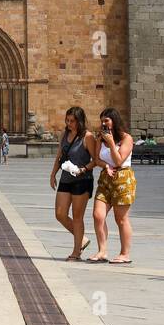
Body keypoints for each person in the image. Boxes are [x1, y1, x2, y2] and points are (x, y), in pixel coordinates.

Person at [89, 107, 135, 264]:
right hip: (105, 178)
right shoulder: (100, 139)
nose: (103, 123)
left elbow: (119, 161)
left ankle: (124, 253)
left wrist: (110, 143)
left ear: (114, 121)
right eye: (102, 121)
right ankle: (102, 251)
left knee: (121, 218)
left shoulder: (126, 139)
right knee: (98, 215)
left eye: (106, 120)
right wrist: (105, 166)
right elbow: (96, 159)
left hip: (123, 177)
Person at [51, 106, 95, 261]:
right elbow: (59, 156)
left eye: (72, 121)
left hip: (82, 180)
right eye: (67, 120)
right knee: (60, 214)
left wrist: (83, 169)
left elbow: (95, 160)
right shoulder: (64, 135)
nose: (69, 124)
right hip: (65, 178)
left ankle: (76, 252)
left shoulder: (87, 137)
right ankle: (82, 239)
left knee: (77, 217)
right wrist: (53, 174)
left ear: (79, 121)